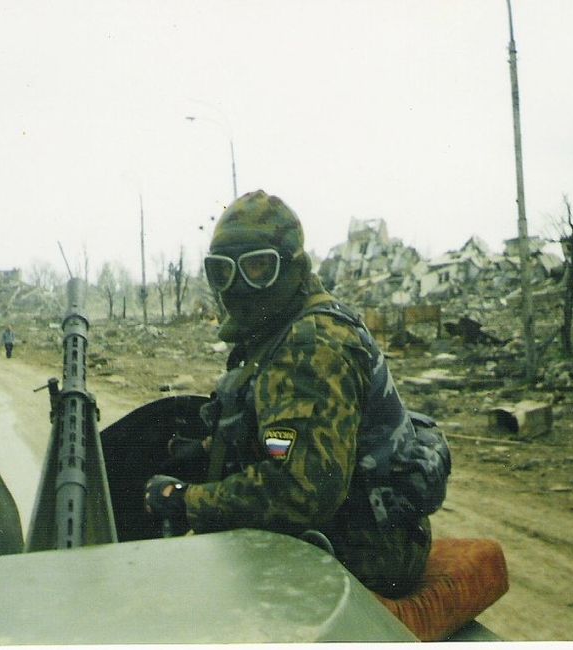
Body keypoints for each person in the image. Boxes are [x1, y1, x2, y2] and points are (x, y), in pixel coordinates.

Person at [143, 190, 440, 598]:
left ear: (292, 266)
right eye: (222, 271)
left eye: (257, 267)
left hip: (366, 549)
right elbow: (280, 436)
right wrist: (208, 450)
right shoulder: (278, 330)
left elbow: (303, 491)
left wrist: (186, 501)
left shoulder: (312, 345)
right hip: (342, 525)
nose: (239, 286)